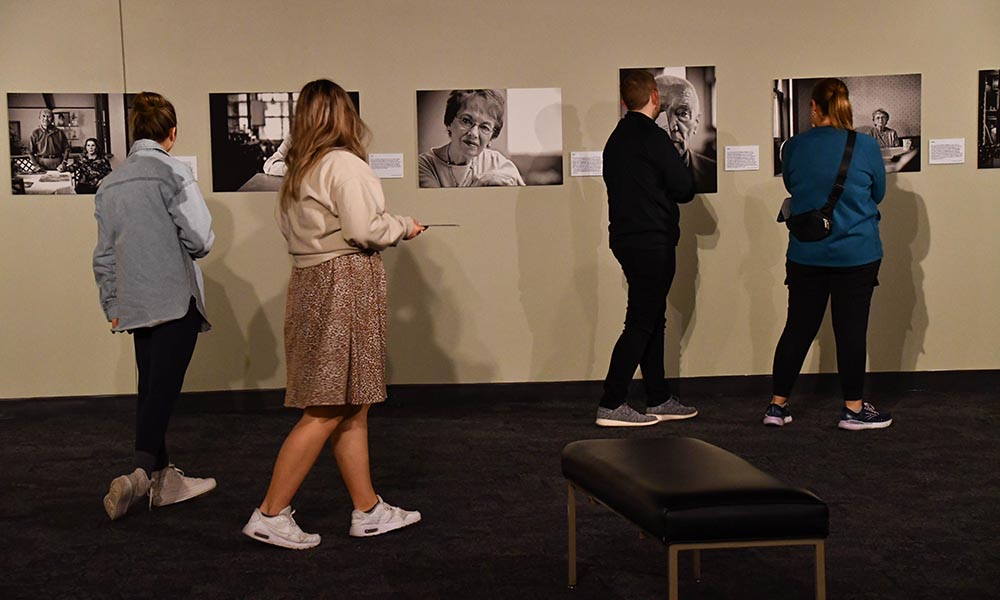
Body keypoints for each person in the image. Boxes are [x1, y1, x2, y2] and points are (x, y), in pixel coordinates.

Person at [242, 79, 425, 550]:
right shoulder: (344, 164)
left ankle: (367, 510)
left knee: (350, 404)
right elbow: (364, 229)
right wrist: (403, 225)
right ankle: (270, 514)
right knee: (326, 406)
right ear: (345, 115)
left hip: (313, 283)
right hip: (343, 284)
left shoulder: (300, 170)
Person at [93, 92, 217, 520]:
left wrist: (111, 302)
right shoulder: (173, 173)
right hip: (173, 300)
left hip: (133, 303)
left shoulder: (110, 183)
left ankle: (165, 482)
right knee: (159, 393)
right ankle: (141, 474)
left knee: (151, 387)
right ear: (172, 132)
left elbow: (104, 255)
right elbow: (200, 240)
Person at [764, 78, 892, 431]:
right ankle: (853, 410)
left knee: (798, 328)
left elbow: (793, 185)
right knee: (850, 331)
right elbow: (877, 192)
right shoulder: (864, 146)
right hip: (856, 253)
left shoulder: (793, 147)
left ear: (814, 108)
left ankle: (777, 407)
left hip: (806, 253)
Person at [595, 70, 697, 427]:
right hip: (652, 240)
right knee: (641, 321)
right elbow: (684, 188)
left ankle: (658, 396)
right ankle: (612, 402)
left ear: (625, 101)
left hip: (625, 239)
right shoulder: (653, 139)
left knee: (651, 317)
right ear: (655, 97)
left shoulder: (615, 140)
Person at [417, 89, 525, 188]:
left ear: (491, 138)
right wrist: (479, 184)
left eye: (484, 127)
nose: (473, 133)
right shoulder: (424, 165)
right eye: (466, 121)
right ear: (449, 122)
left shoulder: (498, 163)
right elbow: (437, 207)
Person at [654, 74, 717, 194]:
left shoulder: (713, 173)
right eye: (659, 112)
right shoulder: (629, 174)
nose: (672, 126)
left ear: (696, 123)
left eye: (682, 113)